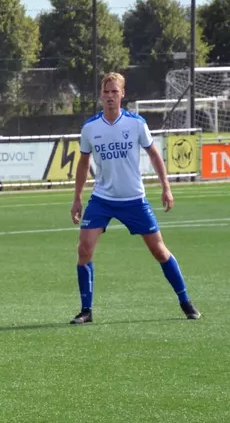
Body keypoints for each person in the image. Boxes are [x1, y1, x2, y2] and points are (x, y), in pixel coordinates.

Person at [70, 72, 201, 324]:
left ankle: (185, 301)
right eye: (106, 92)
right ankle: (86, 311)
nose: (110, 96)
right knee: (84, 249)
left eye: (114, 92)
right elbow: (83, 163)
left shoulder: (136, 123)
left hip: (134, 200)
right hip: (102, 199)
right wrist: (77, 198)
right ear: (101, 95)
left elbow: (153, 154)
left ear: (123, 94)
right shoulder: (90, 128)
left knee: (159, 251)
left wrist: (166, 187)